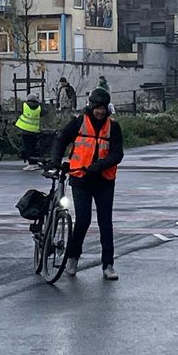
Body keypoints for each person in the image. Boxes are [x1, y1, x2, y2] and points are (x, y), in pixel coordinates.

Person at [51, 87, 124, 280]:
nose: (99, 111)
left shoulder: (113, 127)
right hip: (80, 178)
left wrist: (100, 165)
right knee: (83, 220)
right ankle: (73, 258)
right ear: (90, 106)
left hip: (104, 180)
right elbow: (61, 139)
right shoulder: (79, 123)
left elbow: (118, 154)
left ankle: (108, 265)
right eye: (96, 107)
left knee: (105, 222)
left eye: (103, 108)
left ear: (107, 109)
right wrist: (56, 160)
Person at [16, 92, 43, 171]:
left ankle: (31, 164)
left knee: (28, 147)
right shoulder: (39, 107)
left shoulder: (24, 105)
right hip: (34, 130)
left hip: (25, 130)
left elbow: (19, 113)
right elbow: (45, 112)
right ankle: (35, 162)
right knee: (33, 147)